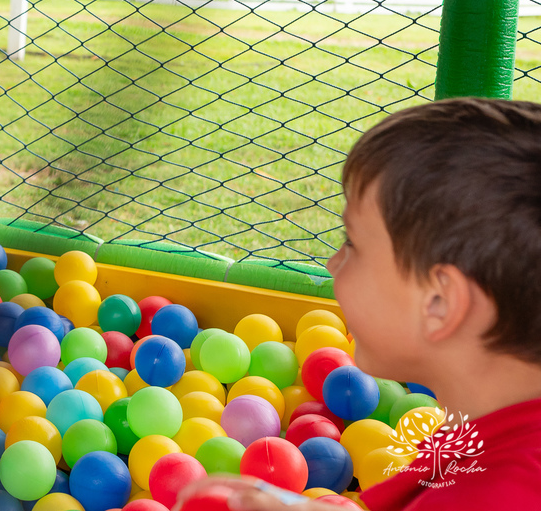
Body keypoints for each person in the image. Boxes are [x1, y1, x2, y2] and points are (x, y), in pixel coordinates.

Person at [176, 98, 541, 510]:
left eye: (352, 242)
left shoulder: (496, 496)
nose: (333, 262)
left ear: (440, 302)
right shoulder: (486, 431)